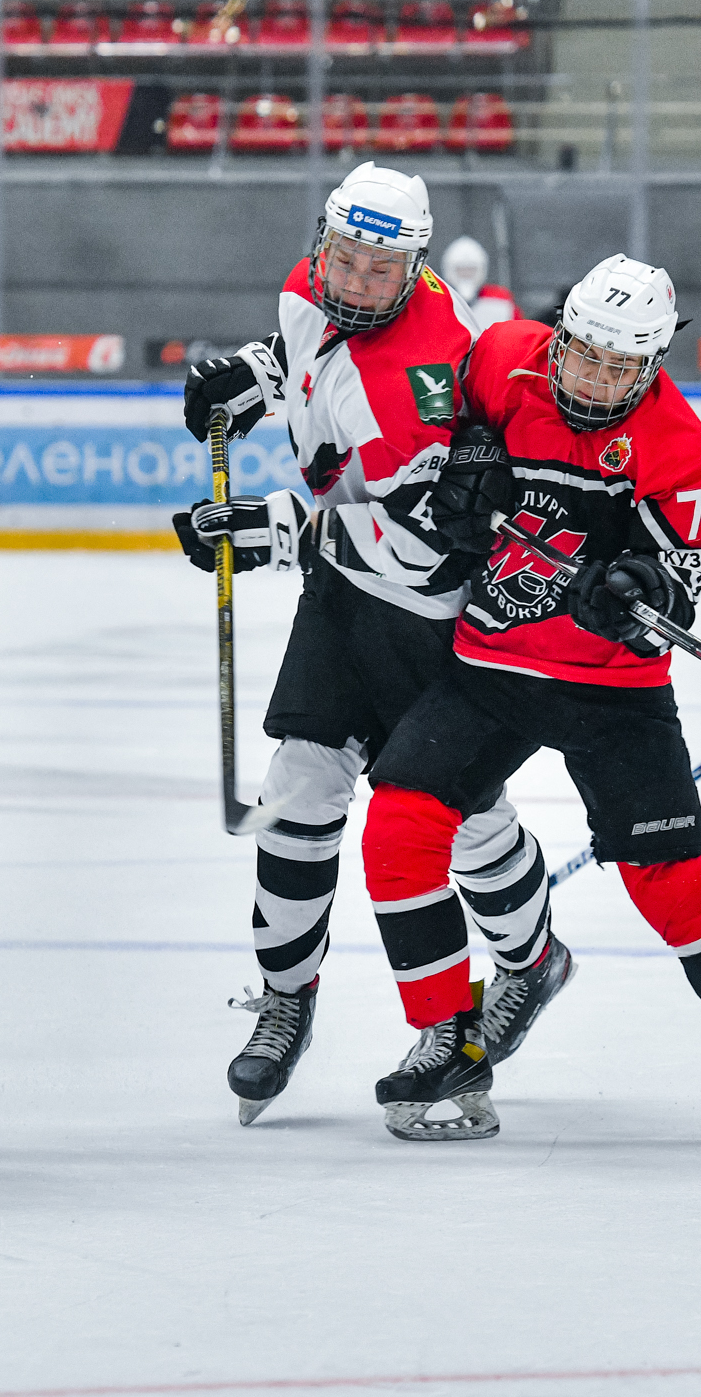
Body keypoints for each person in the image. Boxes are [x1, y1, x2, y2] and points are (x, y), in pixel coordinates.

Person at [359, 254, 701, 1145]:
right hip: (494, 664)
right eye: (584, 354)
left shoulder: (683, 451)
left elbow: (672, 596)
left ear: (653, 364)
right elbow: (441, 394)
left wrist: (635, 593)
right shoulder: (507, 357)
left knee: (672, 882)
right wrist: (462, 457)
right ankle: (446, 1033)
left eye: (618, 366)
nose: (594, 378)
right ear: (561, 335)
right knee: (399, 824)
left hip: (612, 690)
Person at [174, 163, 573, 1128]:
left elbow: (430, 550)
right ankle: (285, 1001)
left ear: (417, 267)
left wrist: (273, 530)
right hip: (345, 598)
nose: (350, 281)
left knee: (462, 823)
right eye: (341, 255)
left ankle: (532, 960)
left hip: (432, 619)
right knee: (298, 791)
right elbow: (307, 349)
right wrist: (257, 375)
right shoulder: (314, 287)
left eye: (376, 268)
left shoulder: (422, 388)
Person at [438, 234, 521, 330]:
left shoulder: (501, 303)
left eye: (471, 270)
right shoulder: (437, 301)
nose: (466, 275)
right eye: (461, 270)